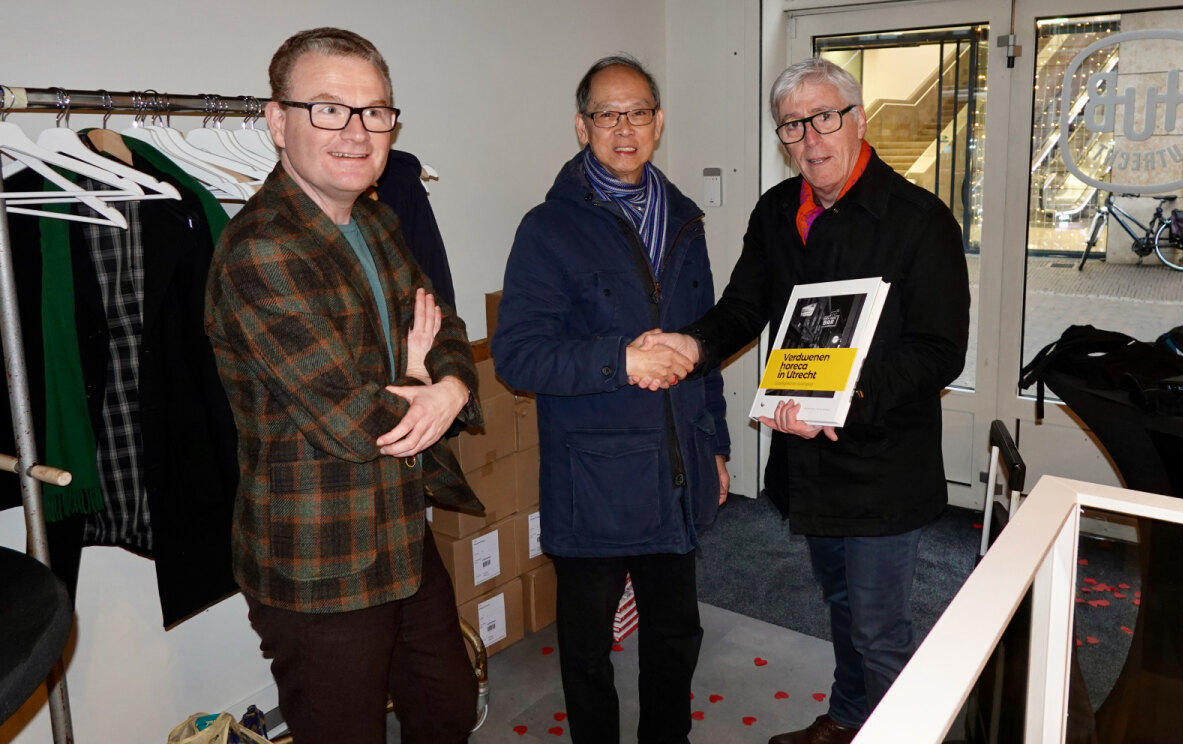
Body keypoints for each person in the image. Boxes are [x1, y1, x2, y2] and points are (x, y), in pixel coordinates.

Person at [644, 57, 970, 744]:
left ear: (857, 119)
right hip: (808, 459)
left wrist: (846, 399)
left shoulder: (919, 220)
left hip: (884, 461)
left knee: (882, 629)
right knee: (843, 603)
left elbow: (941, 350)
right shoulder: (775, 213)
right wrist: (690, 346)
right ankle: (850, 718)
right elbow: (742, 308)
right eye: (792, 126)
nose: (809, 139)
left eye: (824, 118)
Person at [204, 27, 483, 744]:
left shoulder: (377, 219)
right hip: (319, 561)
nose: (358, 132)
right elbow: (360, 420)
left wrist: (443, 386)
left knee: (448, 708)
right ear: (277, 121)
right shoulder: (261, 250)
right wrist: (421, 376)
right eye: (329, 109)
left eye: (375, 111)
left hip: (398, 536)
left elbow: (445, 325)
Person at [490, 55, 731, 743]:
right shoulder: (548, 228)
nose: (624, 127)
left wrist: (715, 444)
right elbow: (516, 354)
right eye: (606, 113)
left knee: (675, 636)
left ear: (658, 123)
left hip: (678, 465)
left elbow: (701, 346)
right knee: (588, 649)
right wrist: (619, 360)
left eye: (638, 113)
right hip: (591, 480)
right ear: (581, 125)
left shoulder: (684, 218)